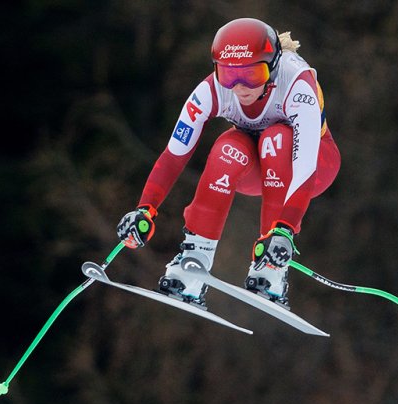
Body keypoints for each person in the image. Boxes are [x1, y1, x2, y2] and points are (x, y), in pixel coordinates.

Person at [116, 18, 340, 311]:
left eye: (252, 74)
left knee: (277, 138)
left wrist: (285, 229)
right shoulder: (211, 90)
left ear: (272, 67)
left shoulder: (296, 83)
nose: (240, 87)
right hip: (257, 169)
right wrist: (145, 208)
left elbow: (305, 165)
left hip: (312, 168)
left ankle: (270, 271)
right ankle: (194, 261)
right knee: (226, 147)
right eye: (228, 74)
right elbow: (174, 154)